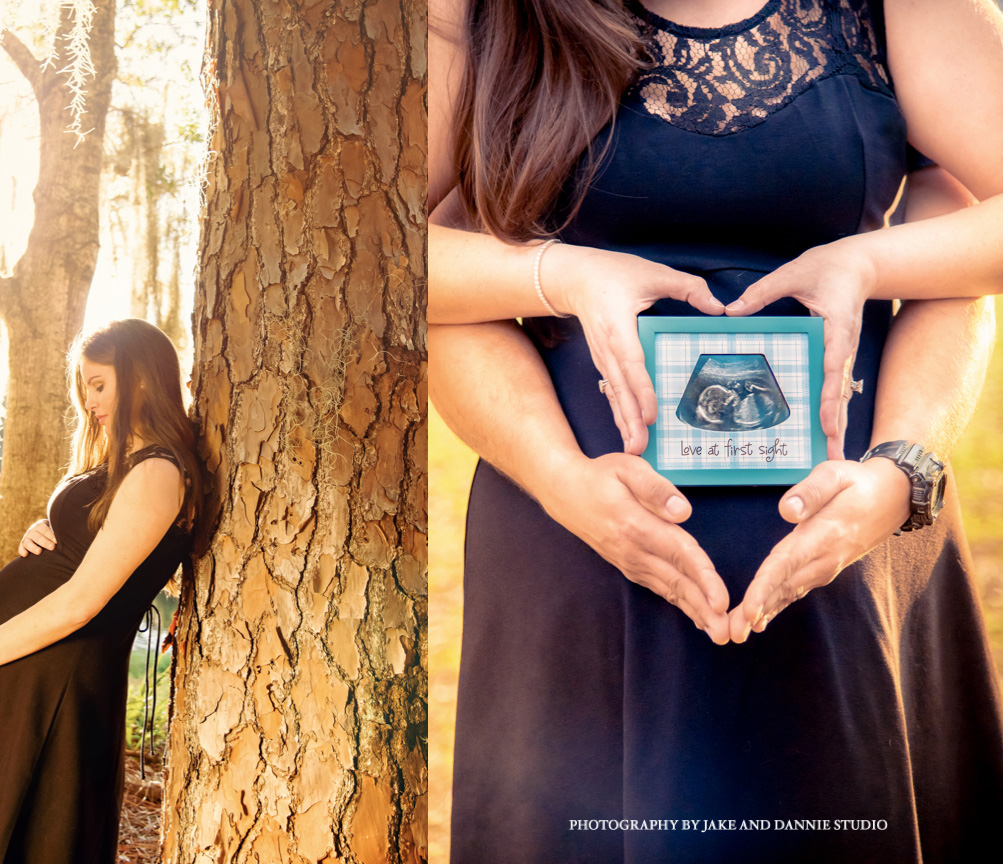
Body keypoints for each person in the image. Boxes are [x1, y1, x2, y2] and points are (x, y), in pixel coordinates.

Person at [429, 0, 1003, 861]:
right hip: (580, 570)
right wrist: (557, 282)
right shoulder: (480, 13)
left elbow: (964, 258)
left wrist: (899, 467)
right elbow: (371, 253)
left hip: (856, 563)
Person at [0, 318, 204, 864]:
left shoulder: (157, 472)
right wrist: (45, 530)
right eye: (85, 386)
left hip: (56, 677)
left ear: (140, 378)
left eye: (100, 384)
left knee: (19, 836)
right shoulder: (125, 462)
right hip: (30, 667)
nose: (88, 399)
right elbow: (86, 555)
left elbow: (81, 604)